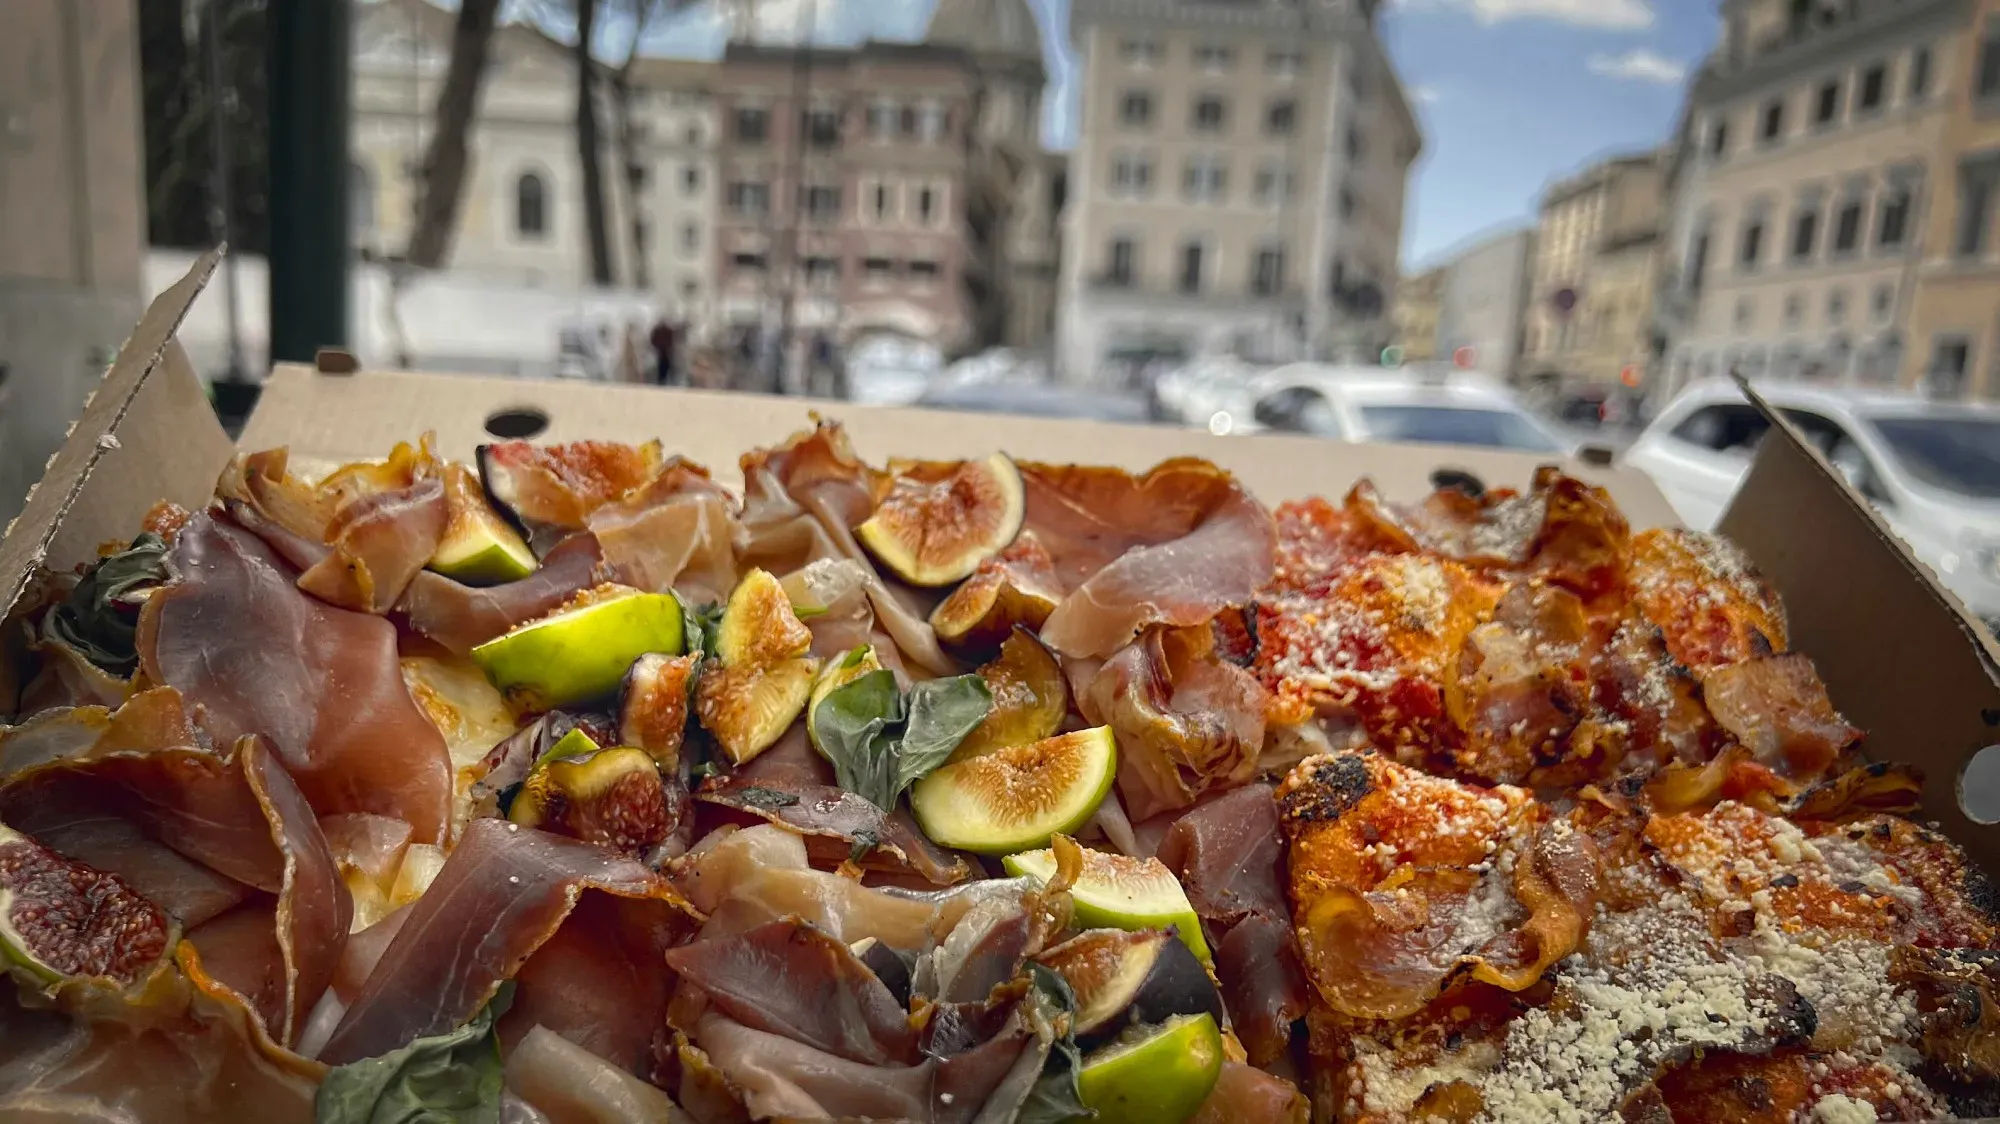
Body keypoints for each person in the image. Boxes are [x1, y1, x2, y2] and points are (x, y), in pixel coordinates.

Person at [649, 314, 680, 387]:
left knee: (665, 367)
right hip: (663, 352)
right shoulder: (664, 331)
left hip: (664, 352)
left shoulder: (664, 331)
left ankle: (664, 381)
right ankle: (664, 381)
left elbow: (653, 340)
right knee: (664, 367)